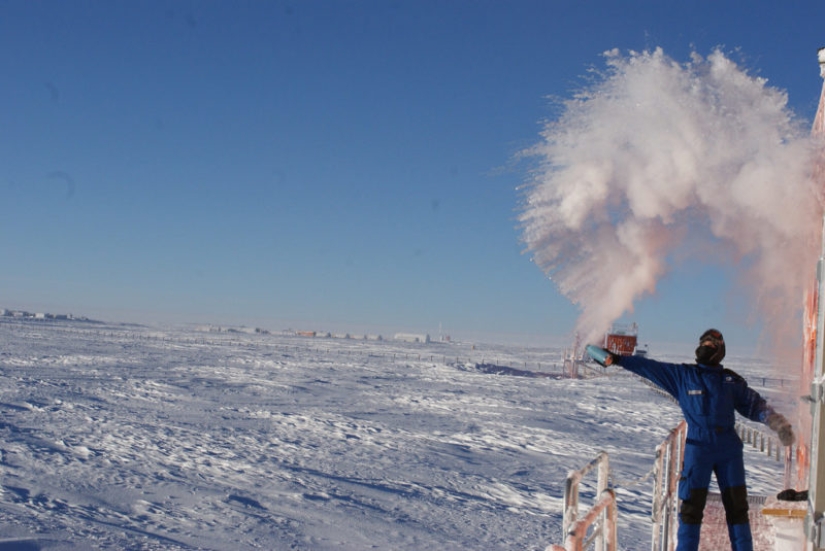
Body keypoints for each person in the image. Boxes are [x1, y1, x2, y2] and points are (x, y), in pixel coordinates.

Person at [587, 328, 795, 551]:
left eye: (711, 346)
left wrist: (778, 423)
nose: (705, 348)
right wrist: (618, 359)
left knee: (737, 509)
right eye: (703, 344)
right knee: (691, 510)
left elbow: (754, 405)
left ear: (720, 351)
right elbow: (648, 367)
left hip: (729, 451)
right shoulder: (683, 376)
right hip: (698, 449)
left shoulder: (730, 381)